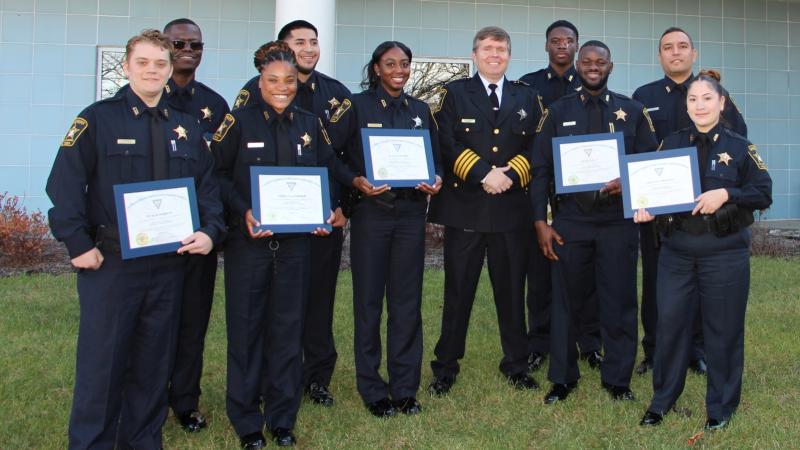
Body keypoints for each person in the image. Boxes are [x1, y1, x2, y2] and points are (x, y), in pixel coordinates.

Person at [46, 30, 225, 449]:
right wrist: (77, 244)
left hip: (168, 263)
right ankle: (92, 443)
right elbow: (64, 186)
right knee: (102, 364)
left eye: (160, 64)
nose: (152, 70)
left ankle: (144, 440)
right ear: (126, 67)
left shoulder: (185, 126)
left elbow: (207, 188)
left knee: (152, 363)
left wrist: (210, 231)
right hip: (111, 264)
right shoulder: (97, 119)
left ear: (169, 69)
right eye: (142, 62)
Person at [212, 41, 351, 448]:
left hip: (296, 246)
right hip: (248, 244)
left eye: (288, 81)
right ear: (260, 83)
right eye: (273, 80)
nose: (282, 87)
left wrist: (331, 209)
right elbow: (216, 176)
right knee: (246, 329)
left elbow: (328, 169)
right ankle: (246, 420)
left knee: (289, 330)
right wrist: (243, 211)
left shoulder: (310, 124)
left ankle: (282, 417)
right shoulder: (235, 123)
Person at [637, 70, 771, 429]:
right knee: (670, 326)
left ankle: (721, 409)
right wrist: (645, 206)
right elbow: (650, 189)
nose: (700, 105)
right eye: (693, 99)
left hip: (724, 252)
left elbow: (763, 191)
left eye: (707, 98)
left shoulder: (741, 147)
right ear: (687, 104)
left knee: (723, 330)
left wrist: (727, 193)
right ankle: (661, 401)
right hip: (677, 252)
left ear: (721, 103)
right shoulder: (669, 144)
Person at [531, 40, 658, 404]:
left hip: (618, 223)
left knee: (619, 300)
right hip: (571, 221)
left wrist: (629, 182)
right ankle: (563, 378)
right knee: (565, 300)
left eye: (599, 62)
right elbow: (540, 171)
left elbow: (649, 164)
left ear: (610, 66)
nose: (592, 66)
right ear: (577, 65)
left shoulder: (632, 112)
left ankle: (618, 380)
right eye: (585, 61)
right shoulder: (557, 111)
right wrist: (541, 221)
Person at [325, 41, 442, 417]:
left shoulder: (421, 110)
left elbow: (435, 158)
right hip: (372, 215)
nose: (399, 70)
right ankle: (373, 388)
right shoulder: (355, 107)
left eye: (404, 63)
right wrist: (355, 180)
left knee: (407, 304)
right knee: (369, 303)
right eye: (390, 63)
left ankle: (405, 388)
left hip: (410, 216)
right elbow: (330, 155)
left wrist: (435, 178)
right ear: (376, 68)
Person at [427, 26, 544, 396]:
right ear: (474, 54)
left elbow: (539, 144)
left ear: (509, 55)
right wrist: (483, 174)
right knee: (458, 291)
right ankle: (445, 367)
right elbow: (444, 141)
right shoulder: (454, 94)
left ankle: (516, 364)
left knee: (511, 292)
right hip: (466, 209)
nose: (495, 54)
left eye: (502, 49)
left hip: (511, 209)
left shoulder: (529, 97)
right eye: (488, 48)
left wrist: (509, 175)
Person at [632, 27, 748, 376]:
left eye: (683, 46)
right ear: (660, 55)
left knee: (702, 286)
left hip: (708, 213)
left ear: (693, 54)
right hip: (662, 211)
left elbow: (738, 141)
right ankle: (655, 350)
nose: (675, 52)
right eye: (667, 47)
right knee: (657, 282)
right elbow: (639, 150)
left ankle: (697, 350)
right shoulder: (644, 94)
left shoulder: (715, 93)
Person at [519, 19, 603, 372]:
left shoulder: (591, 84)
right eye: (555, 40)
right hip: (540, 184)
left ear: (578, 46)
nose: (562, 46)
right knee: (540, 270)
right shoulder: (528, 86)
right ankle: (539, 342)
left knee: (585, 271)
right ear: (547, 46)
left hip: (581, 194)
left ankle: (590, 341)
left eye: (569, 41)